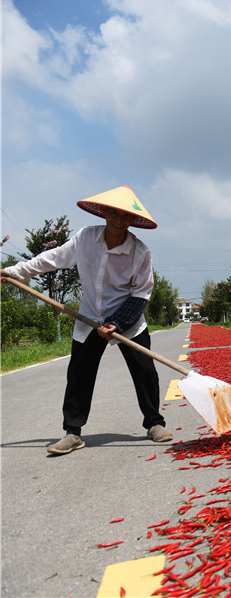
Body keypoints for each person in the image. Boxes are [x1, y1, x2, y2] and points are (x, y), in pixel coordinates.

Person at [1, 186, 172, 455]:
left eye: (125, 216)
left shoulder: (140, 252)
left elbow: (140, 294)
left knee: (145, 371)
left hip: (128, 319)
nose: (118, 219)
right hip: (89, 316)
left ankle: (154, 423)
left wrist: (116, 323)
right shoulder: (85, 238)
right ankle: (72, 432)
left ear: (132, 221)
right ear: (104, 212)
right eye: (113, 212)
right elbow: (52, 258)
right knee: (79, 374)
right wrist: (14, 272)